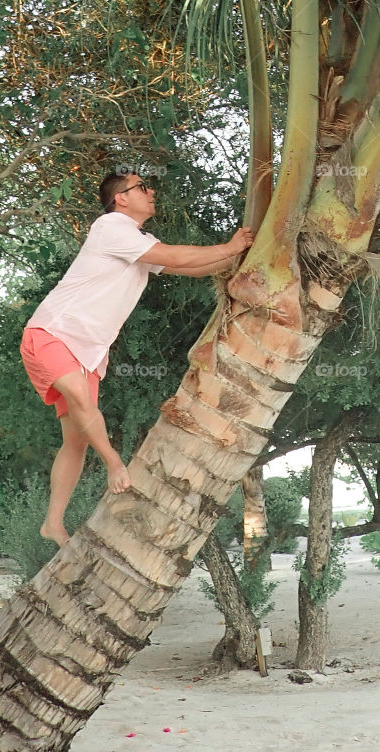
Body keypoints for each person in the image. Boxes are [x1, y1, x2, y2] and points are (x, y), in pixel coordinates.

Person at [20, 170, 254, 546]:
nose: (151, 191)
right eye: (142, 187)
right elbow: (172, 254)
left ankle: (52, 523)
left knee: (76, 441)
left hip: (89, 351)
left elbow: (183, 266)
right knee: (80, 401)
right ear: (121, 198)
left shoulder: (137, 241)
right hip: (53, 333)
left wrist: (235, 261)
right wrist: (229, 247)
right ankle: (115, 462)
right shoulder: (110, 226)